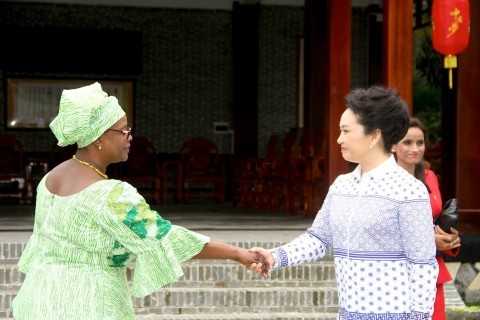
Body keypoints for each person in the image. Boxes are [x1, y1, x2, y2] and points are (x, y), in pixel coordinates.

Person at [12, 82, 264, 320]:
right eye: (123, 130)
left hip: (38, 299)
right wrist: (237, 253)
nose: (130, 136)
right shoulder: (112, 195)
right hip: (88, 304)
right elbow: (165, 238)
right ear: (98, 137)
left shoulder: (49, 181)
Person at [250, 87, 439, 320]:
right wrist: (275, 257)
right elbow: (319, 238)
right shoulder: (342, 185)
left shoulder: (409, 191)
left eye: (346, 131)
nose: (339, 139)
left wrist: (419, 317)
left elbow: (422, 264)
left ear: (374, 136)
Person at [392, 117, 461, 320]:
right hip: (397, 272)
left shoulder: (430, 176)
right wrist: (429, 241)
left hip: (431, 270)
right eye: (407, 142)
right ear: (393, 145)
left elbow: (435, 219)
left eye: (420, 143)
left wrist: (449, 239)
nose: (415, 148)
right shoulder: (381, 181)